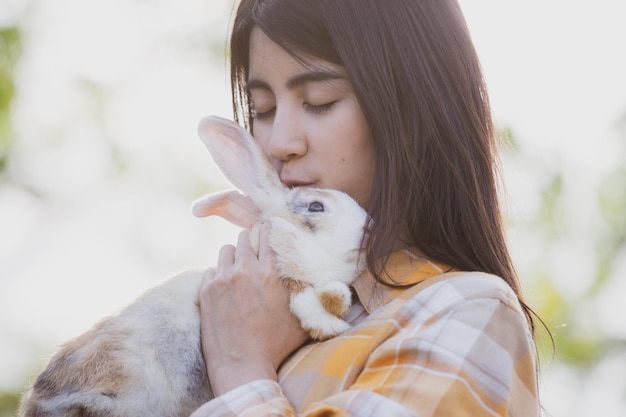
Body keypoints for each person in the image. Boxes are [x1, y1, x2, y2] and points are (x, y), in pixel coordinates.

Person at [193, 0, 542, 416]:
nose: (278, 143)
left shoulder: (468, 312)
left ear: (412, 108)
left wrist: (241, 368)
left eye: (319, 101)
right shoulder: (242, 307)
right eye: (262, 110)